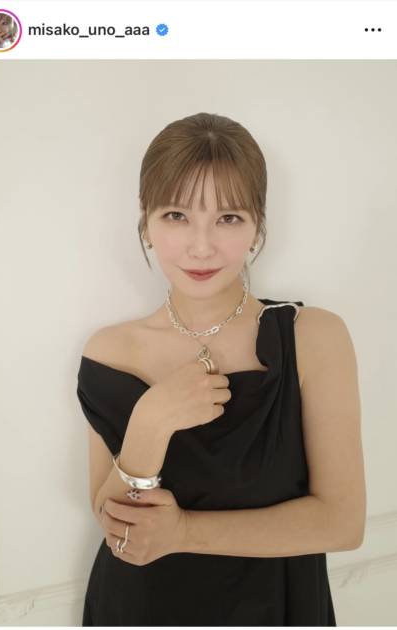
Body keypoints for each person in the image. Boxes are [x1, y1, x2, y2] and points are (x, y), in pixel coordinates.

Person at [76, 112, 366, 625]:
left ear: (258, 226)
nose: (201, 245)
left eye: (228, 218)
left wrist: (184, 531)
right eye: (176, 215)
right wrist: (150, 423)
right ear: (145, 222)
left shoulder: (312, 338)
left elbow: (342, 523)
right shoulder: (111, 352)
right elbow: (115, 526)